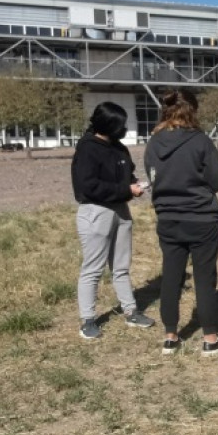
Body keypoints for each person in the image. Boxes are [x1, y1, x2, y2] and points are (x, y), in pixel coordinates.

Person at [144, 89, 218, 356]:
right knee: (205, 279)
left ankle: (170, 336)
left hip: (168, 217)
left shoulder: (154, 143)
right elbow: (217, 181)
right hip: (201, 217)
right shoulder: (201, 141)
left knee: (171, 277)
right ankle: (211, 339)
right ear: (192, 110)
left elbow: (152, 177)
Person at [72, 102, 155, 339]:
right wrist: (126, 189)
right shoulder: (87, 149)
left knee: (121, 266)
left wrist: (134, 184)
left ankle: (130, 311)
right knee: (93, 269)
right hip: (96, 212)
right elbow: (88, 186)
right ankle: (87, 319)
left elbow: (126, 175)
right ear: (107, 125)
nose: (125, 128)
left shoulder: (119, 148)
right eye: (120, 125)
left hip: (121, 210)